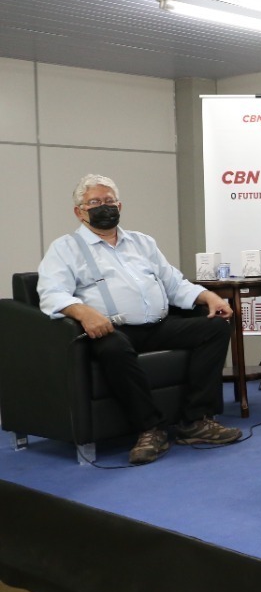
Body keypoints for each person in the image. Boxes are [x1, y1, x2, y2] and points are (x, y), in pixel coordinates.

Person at [37, 174, 241, 465]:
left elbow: (174, 284)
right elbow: (51, 293)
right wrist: (83, 312)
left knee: (215, 327)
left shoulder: (142, 243)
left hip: (158, 325)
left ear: (119, 206)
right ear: (79, 212)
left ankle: (196, 421)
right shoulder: (65, 248)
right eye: (94, 202)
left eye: (109, 201)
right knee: (114, 346)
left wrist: (208, 296)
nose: (103, 206)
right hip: (111, 331)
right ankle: (150, 429)